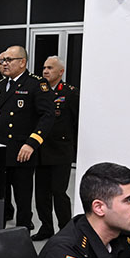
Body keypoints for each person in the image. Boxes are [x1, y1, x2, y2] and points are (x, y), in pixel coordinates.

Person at [0, 45, 54, 230]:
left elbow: (47, 116)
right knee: (0, 193)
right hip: (0, 149)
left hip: (22, 150)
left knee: (23, 195)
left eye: (9, 60)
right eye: (3, 60)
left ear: (22, 62)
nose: (4, 64)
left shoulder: (36, 84)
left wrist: (32, 143)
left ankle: (23, 230)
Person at [32, 56, 79, 241]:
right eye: (44, 67)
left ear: (61, 72)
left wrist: (72, 149)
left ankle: (66, 230)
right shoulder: (39, 91)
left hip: (61, 151)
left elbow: (76, 122)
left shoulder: (70, 93)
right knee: (41, 193)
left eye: (50, 68)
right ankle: (46, 227)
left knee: (59, 192)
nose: (45, 71)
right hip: (41, 150)